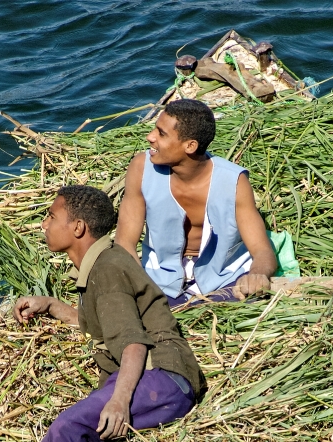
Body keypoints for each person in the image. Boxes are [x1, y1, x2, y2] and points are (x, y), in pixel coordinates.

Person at [13, 185, 204, 442]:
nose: (44, 223)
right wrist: (49, 305)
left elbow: (133, 342)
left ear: (77, 227)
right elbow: (97, 324)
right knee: (68, 441)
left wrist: (119, 401)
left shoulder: (108, 269)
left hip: (163, 378)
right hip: (155, 378)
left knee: (65, 430)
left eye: (51, 215)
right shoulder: (101, 265)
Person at [115, 98, 278, 307]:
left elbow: (262, 251)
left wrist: (256, 275)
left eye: (161, 134)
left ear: (190, 146)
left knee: (242, 301)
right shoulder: (141, 168)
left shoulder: (234, 182)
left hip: (222, 276)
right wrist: (141, 289)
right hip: (160, 276)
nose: (150, 137)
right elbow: (125, 242)